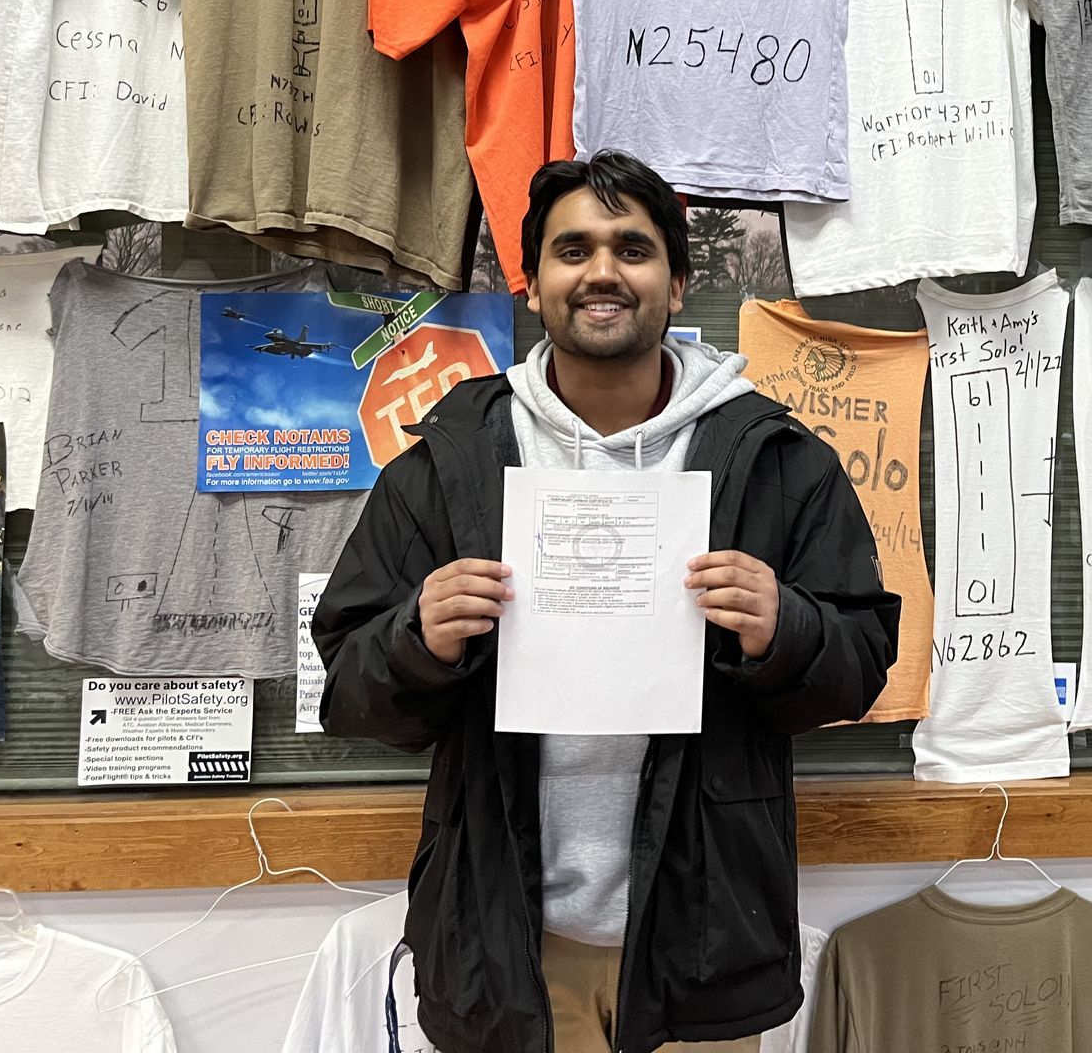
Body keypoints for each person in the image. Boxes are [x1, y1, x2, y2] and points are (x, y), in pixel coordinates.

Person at [314, 150, 899, 1053]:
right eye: (572, 249)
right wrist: (415, 639)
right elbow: (350, 690)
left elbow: (859, 667)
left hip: (703, 942)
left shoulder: (778, 460)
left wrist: (786, 629)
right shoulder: (449, 459)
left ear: (677, 283)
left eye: (632, 249)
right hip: (504, 944)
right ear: (534, 281)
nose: (601, 273)